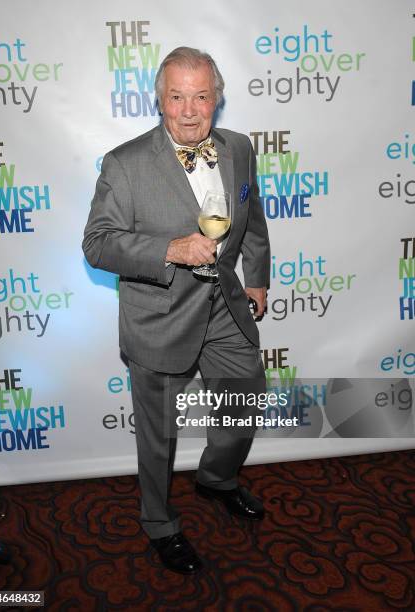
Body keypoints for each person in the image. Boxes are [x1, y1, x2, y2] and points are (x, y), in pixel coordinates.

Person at [83, 47, 270, 575]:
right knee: (158, 435)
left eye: (202, 97)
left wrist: (254, 277)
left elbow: (251, 218)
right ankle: (160, 524)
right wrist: (171, 249)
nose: (190, 110)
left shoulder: (239, 148)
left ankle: (216, 479)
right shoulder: (126, 163)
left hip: (226, 308)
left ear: (218, 98)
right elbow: (98, 244)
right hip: (160, 317)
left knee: (244, 404)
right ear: (160, 100)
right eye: (177, 97)